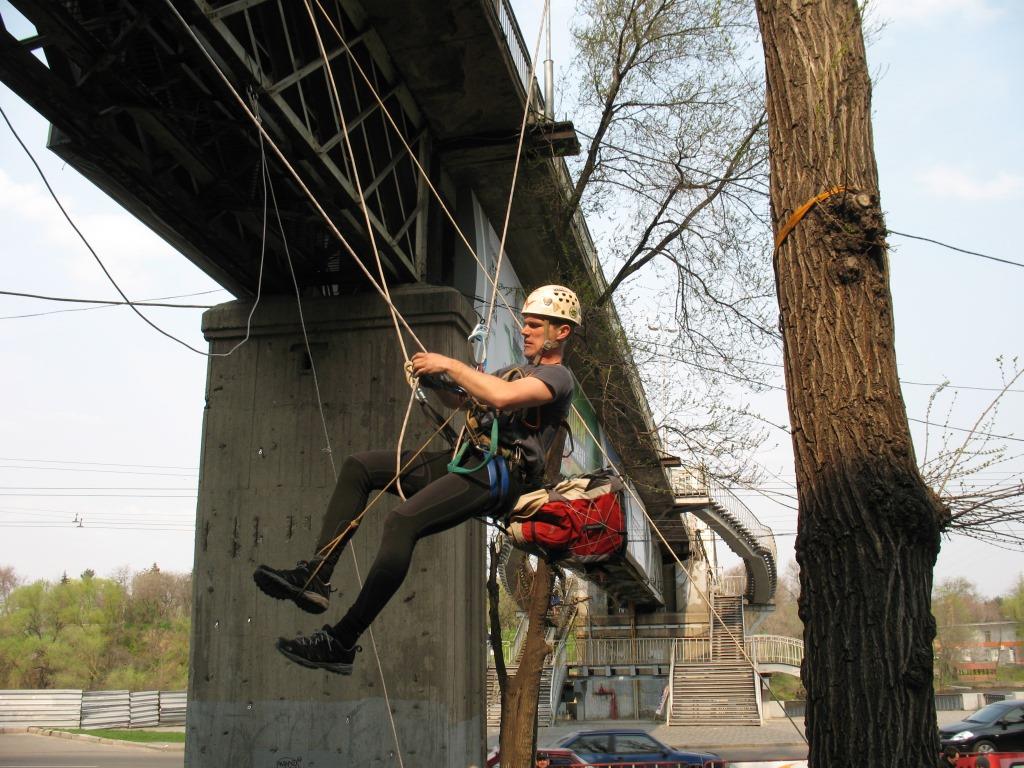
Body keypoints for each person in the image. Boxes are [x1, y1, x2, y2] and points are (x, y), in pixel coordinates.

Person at [253, 285, 581, 674]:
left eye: (535, 325)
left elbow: (502, 398)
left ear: (561, 332)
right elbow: (463, 400)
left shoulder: (558, 377)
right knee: (361, 467)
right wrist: (436, 380)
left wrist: (452, 364)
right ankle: (317, 576)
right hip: (470, 461)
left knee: (401, 522)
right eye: (524, 324)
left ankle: (341, 641)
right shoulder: (517, 372)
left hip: (498, 476)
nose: (524, 332)